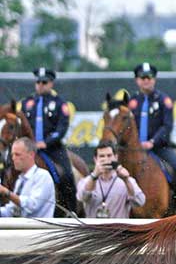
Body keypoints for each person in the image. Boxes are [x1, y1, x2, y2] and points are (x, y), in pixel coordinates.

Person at [128, 62, 176, 212]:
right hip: (135, 149)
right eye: (142, 78)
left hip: (159, 147)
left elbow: (167, 126)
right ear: (137, 80)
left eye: (149, 77)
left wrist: (152, 142)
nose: (146, 80)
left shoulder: (164, 100)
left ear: (154, 79)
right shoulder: (132, 102)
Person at [21, 67, 77, 213]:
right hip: (29, 149)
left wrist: (45, 142)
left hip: (53, 148)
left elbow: (62, 127)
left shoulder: (59, 104)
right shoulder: (27, 103)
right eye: (38, 82)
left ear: (51, 83)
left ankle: (71, 211)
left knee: (67, 175)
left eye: (44, 82)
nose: (40, 85)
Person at [77, 140, 145, 218]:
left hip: (118, 229)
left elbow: (140, 202)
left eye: (109, 155)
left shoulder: (128, 180)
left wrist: (126, 181)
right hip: (94, 229)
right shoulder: (86, 181)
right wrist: (94, 176)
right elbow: (82, 197)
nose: (106, 159)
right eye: (102, 156)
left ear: (116, 157)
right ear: (95, 159)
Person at [0, 137, 55, 218]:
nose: (13, 158)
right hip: (25, 229)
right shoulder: (20, 180)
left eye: (17, 154)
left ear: (31, 155)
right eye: (12, 154)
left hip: (39, 230)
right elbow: (12, 210)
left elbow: (32, 206)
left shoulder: (43, 176)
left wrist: (6, 192)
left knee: (67, 175)